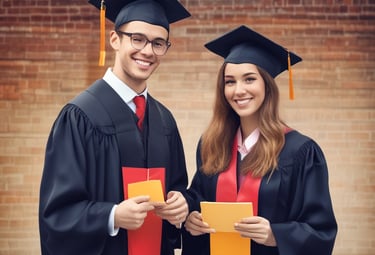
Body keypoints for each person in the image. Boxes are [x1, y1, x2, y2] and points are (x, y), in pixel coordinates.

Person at [38, 1, 191, 255]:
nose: (148, 51)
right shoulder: (79, 116)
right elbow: (57, 213)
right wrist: (113, 216)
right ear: (115, 39)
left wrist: (180, 206)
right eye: (137, 39)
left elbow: (177, 188)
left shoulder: (165, 120)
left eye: (158, 43)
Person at [182, 25, 338, 255]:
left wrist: (276, 235)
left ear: (267, 85)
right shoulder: (211, 144)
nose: (238, 90)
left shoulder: (300, 152)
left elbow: (321, 231)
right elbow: (199, 196)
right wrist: (191, 217)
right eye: (230, 82)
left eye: (249, 79)